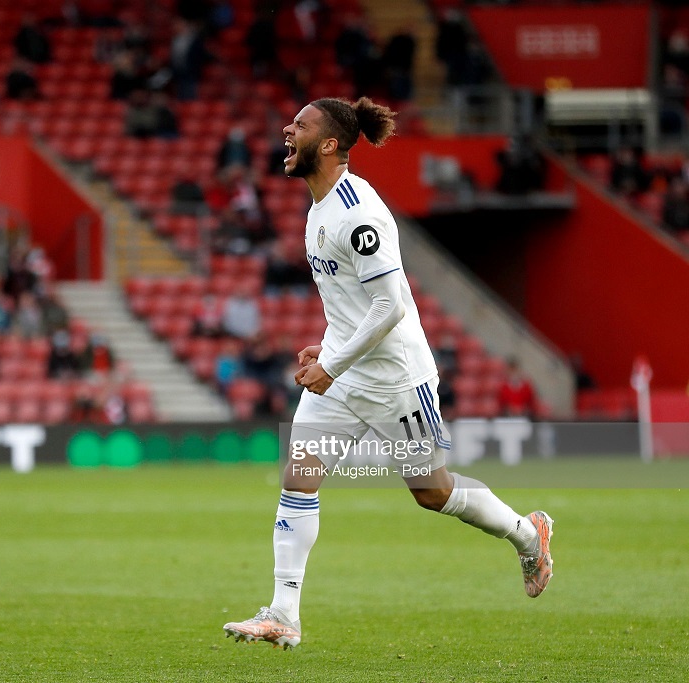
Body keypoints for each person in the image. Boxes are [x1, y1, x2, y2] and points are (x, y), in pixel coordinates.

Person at [222, 98, 554, 650]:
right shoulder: (318, 207)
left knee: (432, 493)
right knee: (299, 476)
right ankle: (283, 613)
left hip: (397, 380)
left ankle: (528, 534)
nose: (288, 129)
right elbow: (354, 307)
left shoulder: (359, 214)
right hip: (345, 374)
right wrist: (324, 350)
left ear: (329, 145)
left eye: (300, 125)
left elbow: (390, 307)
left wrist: (332, 362)